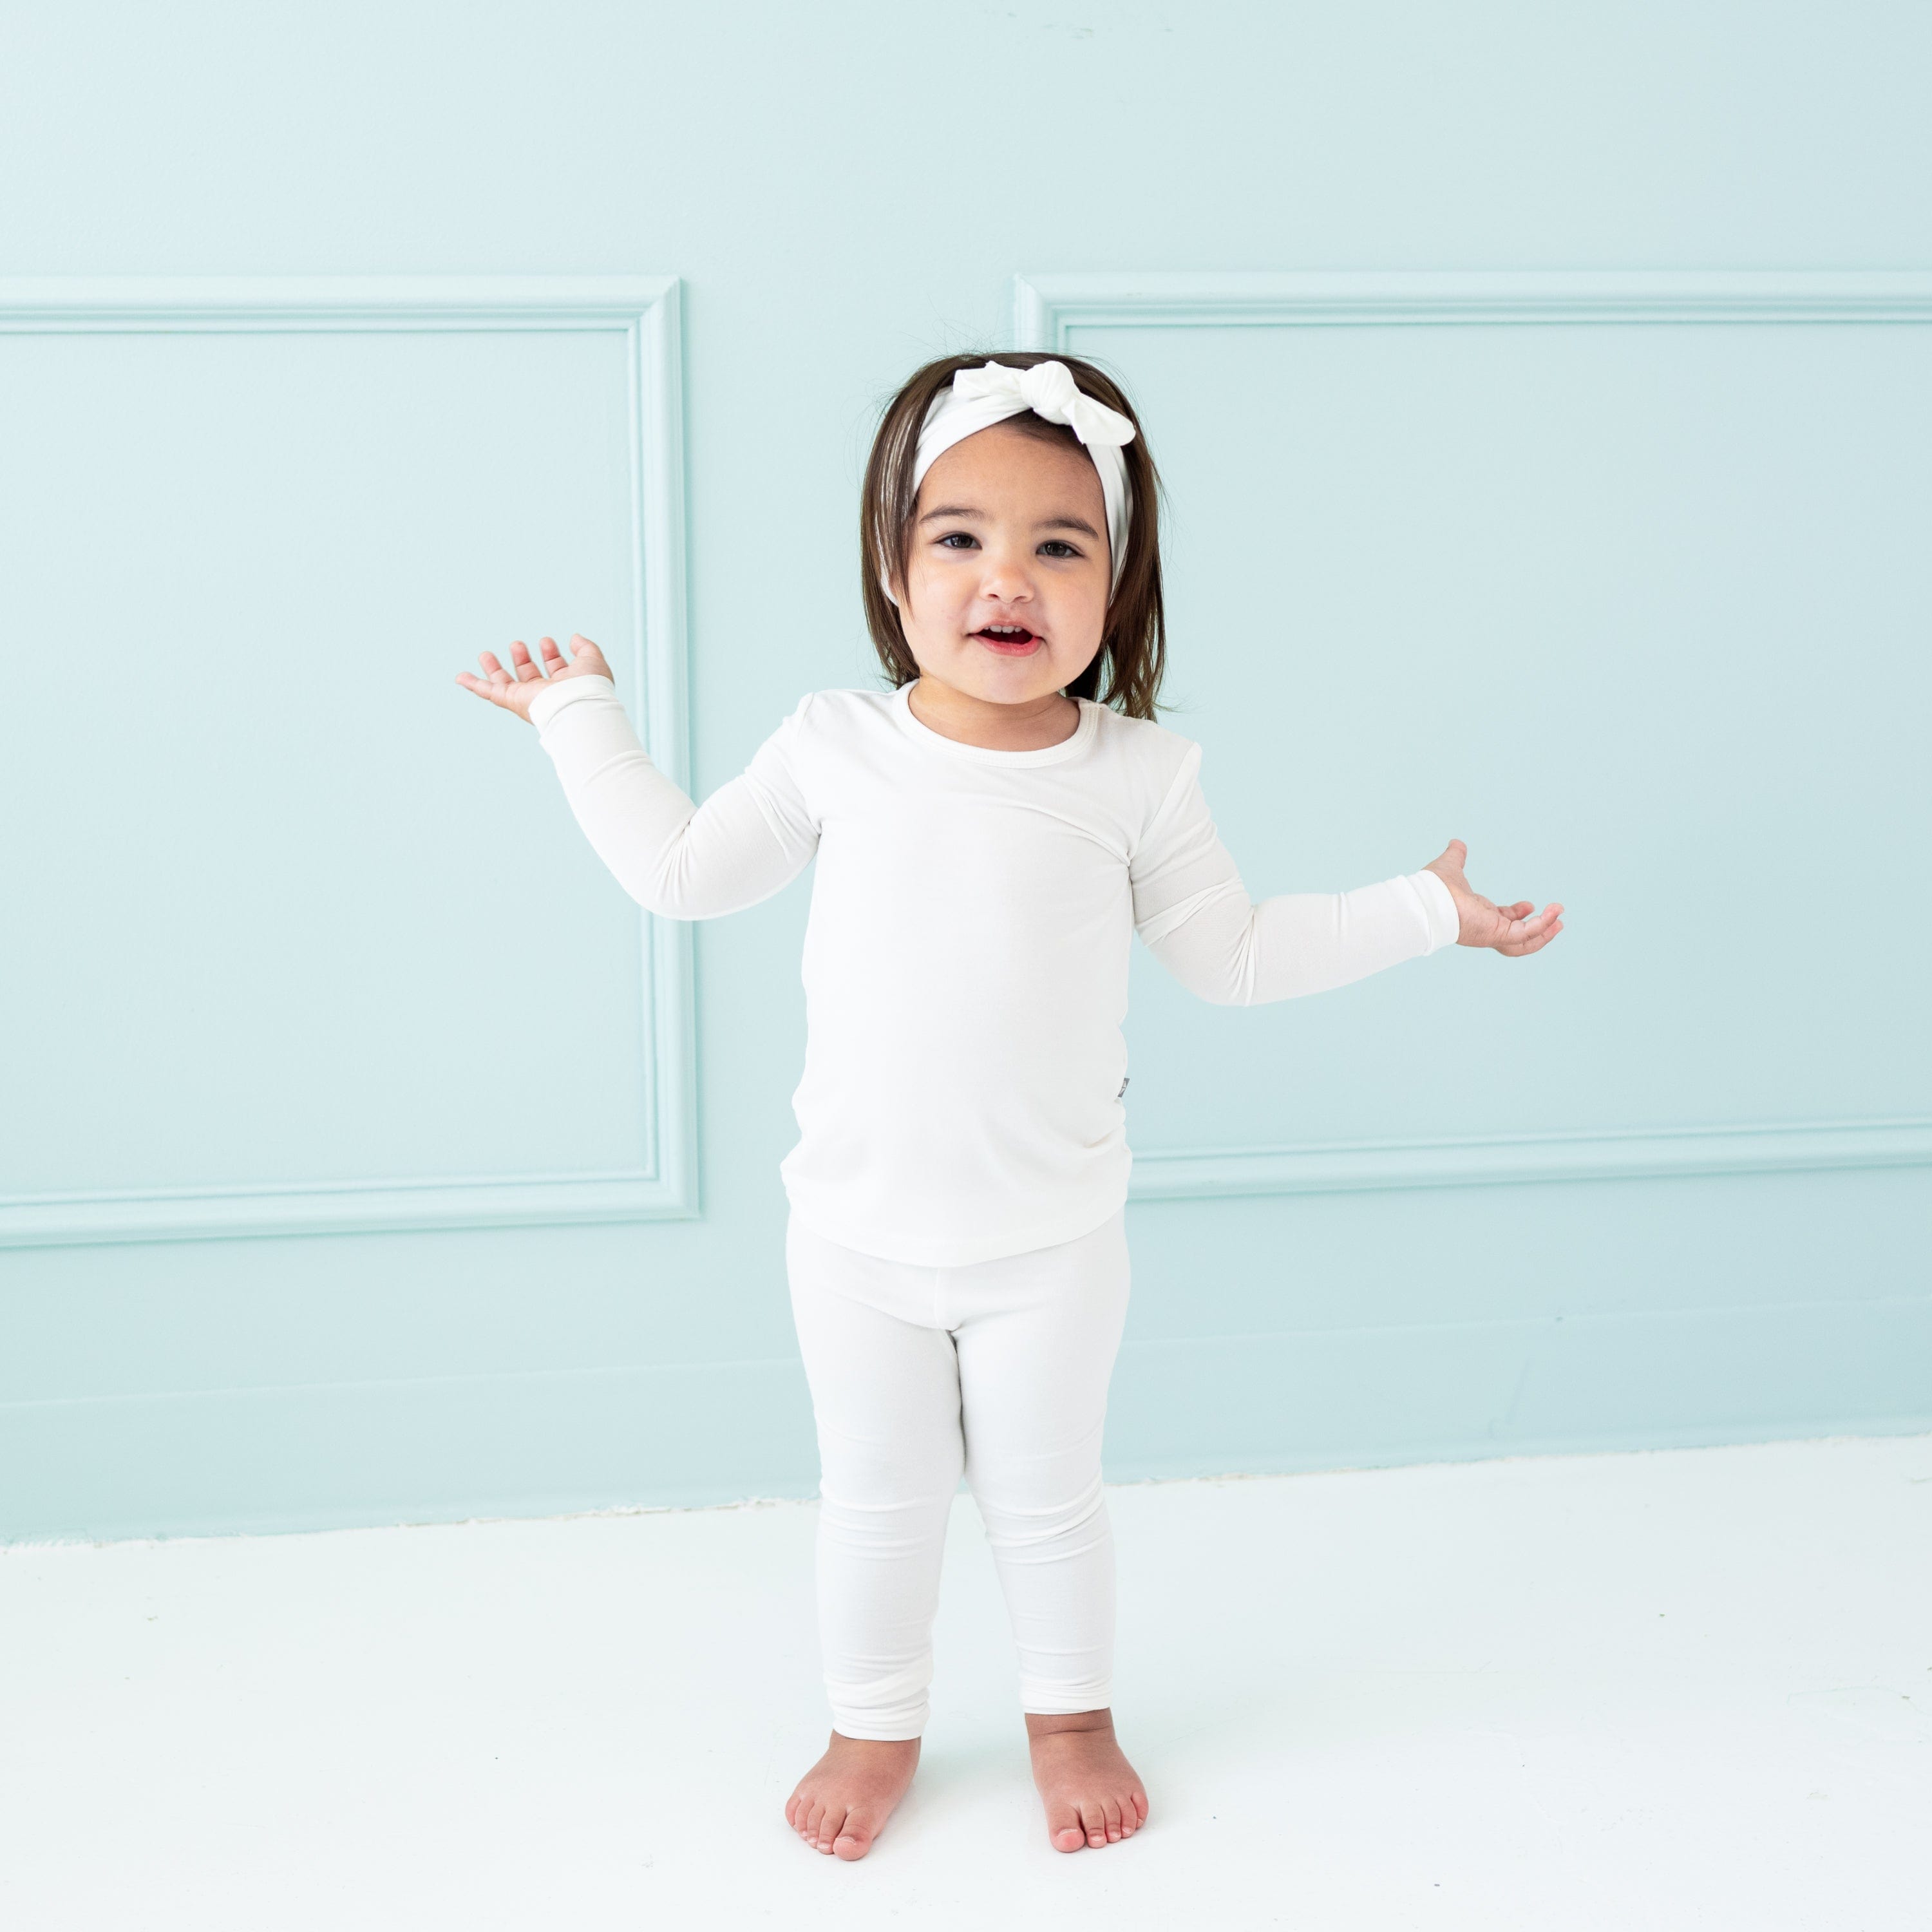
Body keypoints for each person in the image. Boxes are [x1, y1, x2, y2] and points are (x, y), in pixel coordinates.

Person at [455, 350, 1564, 1862]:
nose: (1008, 578)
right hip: (853, 1236)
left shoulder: (1141, 776)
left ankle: (1069, 1713)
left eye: (1062, 544)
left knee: (1049, 1501)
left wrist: (1422, 913)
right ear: (894, 571)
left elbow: (1231, 959)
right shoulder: (833, 745)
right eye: (960, 538)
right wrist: (579, 716)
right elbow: (680, 874)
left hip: (1051, 1239)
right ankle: (873, 1721)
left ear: (1119, 587)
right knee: (880, 1502)